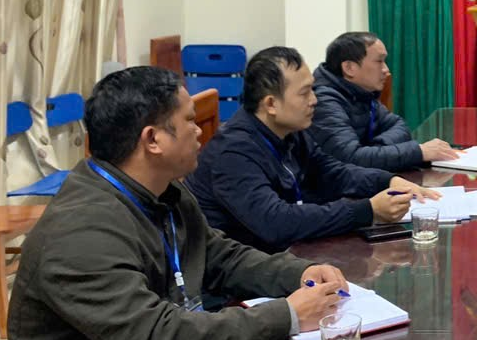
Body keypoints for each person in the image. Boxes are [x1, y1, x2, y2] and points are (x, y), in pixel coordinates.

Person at [3, 67, 350, 340]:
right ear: (153, 139)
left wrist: (297, 273)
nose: (201, 130)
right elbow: (155, 339)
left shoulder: (163, 192)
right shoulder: (81, 232)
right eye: (188, 120)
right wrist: (287, 315)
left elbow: (218, 256)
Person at [186, 46, 438, 254]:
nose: (314, 100)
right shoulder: (233, 152)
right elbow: (276, 222)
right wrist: (368, 210)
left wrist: (387, 181)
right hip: (243, 274)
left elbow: (332, 172)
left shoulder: (289, 130)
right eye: (305, 93)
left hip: (288, 254)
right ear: (271, 104)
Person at [311, 31, 461, 171]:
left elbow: (399, 126)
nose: (386, 70)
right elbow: (351, 159)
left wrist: (375, 150)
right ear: (349, 68)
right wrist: (418, 152)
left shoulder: (362, 93)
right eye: (379, 61)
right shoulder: (324, 101)